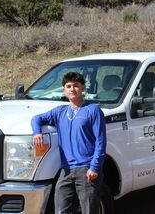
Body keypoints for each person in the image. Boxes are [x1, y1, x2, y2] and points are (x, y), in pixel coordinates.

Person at [32, 72, 106, 214]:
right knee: (61, 210)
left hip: (87, 169)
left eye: (76, 86)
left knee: (89, 210)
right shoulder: (60, 112)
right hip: (65, 171)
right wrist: (37, 132)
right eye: (69, 86)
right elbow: (37, 118)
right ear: (64, 90)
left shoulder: (93, 110)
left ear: (83, 88)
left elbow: (101, 141)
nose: (72, 89)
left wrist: (95, 167)